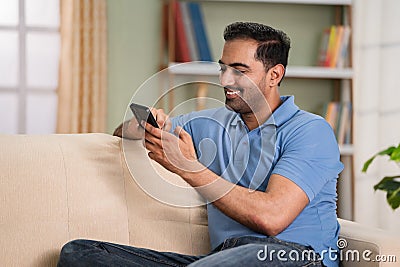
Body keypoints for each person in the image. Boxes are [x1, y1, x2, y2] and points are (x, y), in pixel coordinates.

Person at [58, 22, 343, 267]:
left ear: (274, 75)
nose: (226, 79)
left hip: (292, 257)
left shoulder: (310, 131)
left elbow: (271, 217)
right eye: (223, 68)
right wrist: (142, 126)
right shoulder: (209, 124)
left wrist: (187, 167)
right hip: (222, 258)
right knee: (79, 253)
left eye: (240, 70)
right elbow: (121, 134)